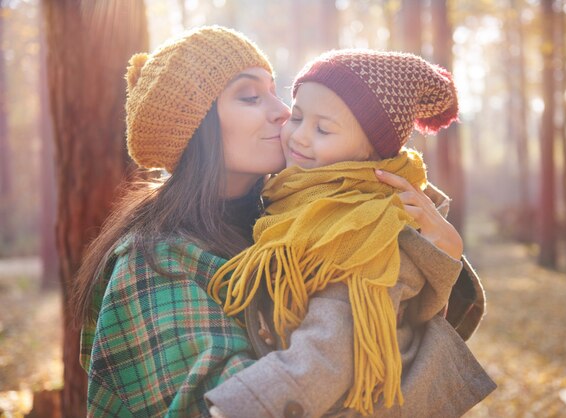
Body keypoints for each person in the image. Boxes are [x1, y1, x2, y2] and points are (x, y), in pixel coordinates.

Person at [73, 26, 493, 418]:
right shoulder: (153, 262)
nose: (280, 112)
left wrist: (436, 262)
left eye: (275, 93)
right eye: (250, 97)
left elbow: (380, 342)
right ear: (196, 128)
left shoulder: (293, 219)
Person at [207, 49, 495, 416]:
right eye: (297, 117)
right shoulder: (301, 198)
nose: (300, 137)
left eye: (324, 129)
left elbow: (332, 348)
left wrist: (244, 409)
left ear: (370, 153)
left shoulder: (364, 224)